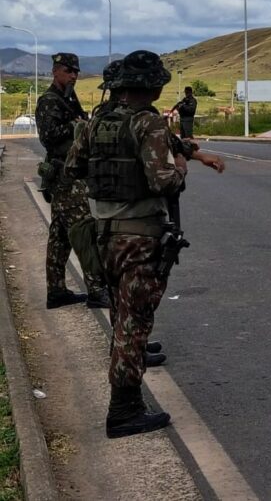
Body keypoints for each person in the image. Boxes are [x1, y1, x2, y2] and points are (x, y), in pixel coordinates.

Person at [67, 50, 223, 438]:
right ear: (153, 86)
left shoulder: (98, 121)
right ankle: (124, 411)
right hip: (138, 236)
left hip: (102, 233)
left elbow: (74, 167)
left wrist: (194, 152)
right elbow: (162, 181)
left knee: (122, 314)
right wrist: (182, 169)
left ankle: (124, 392)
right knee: (135, 324)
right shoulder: (148, 122)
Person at [35, 53, 110, 309]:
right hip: (66, 176)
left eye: (76, 72)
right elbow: (48, 137)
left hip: (70, 173)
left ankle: (56, 290)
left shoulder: (68, 97)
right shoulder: (49, 101)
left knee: (59, 236)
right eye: (69, 71)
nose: (74, 76)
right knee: (83, 232)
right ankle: (97, 291)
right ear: (56, 71)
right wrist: (75, 125)